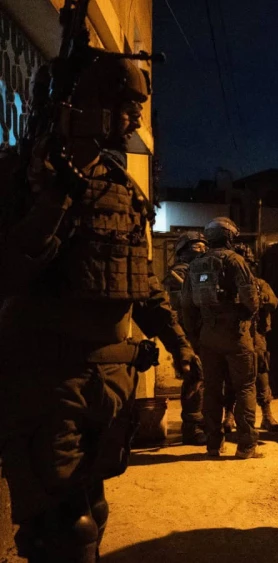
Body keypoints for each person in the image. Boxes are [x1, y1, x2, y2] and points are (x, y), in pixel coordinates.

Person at [0, 53, 200, 562]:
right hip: (51, 381)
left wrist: (179, 344)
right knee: (65, 532)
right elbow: (9, 270)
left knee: (96, 510)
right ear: (90, 106)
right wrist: (54, 201)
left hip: (111, 381)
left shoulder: (120, 186)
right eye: (125, 106)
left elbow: (143, 283)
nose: (134, 118)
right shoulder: (25, 177)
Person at [181, 217, 262, 459]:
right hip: (236, 334)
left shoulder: (195, 265)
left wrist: (196, 336)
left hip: (208, 335)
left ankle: (214, 445)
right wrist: (247, 317)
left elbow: (186, 306)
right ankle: (246, 446)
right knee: (245, 388)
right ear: (229, 237)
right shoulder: (235, 260)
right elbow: (251, 299)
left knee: (212, 390)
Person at [164, 231, 210, 445]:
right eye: (196, 246)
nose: (201, 249)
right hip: (189, 334)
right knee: (195, 378)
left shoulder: (198, 271)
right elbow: (182, 305)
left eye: (203, 245)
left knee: (207, 379)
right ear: (183, 250)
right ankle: (192, 428)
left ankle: (203, 424)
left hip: (203, 331)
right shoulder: (179, 273)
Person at [232, 242, 278, 432]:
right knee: (231, 378)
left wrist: (255, 296)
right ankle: (229, 416)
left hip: (256, 336)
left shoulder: (260, 284)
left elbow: (273, 303)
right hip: (234, 335)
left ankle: (267, 415)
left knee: (261, 375)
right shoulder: (227, 286)